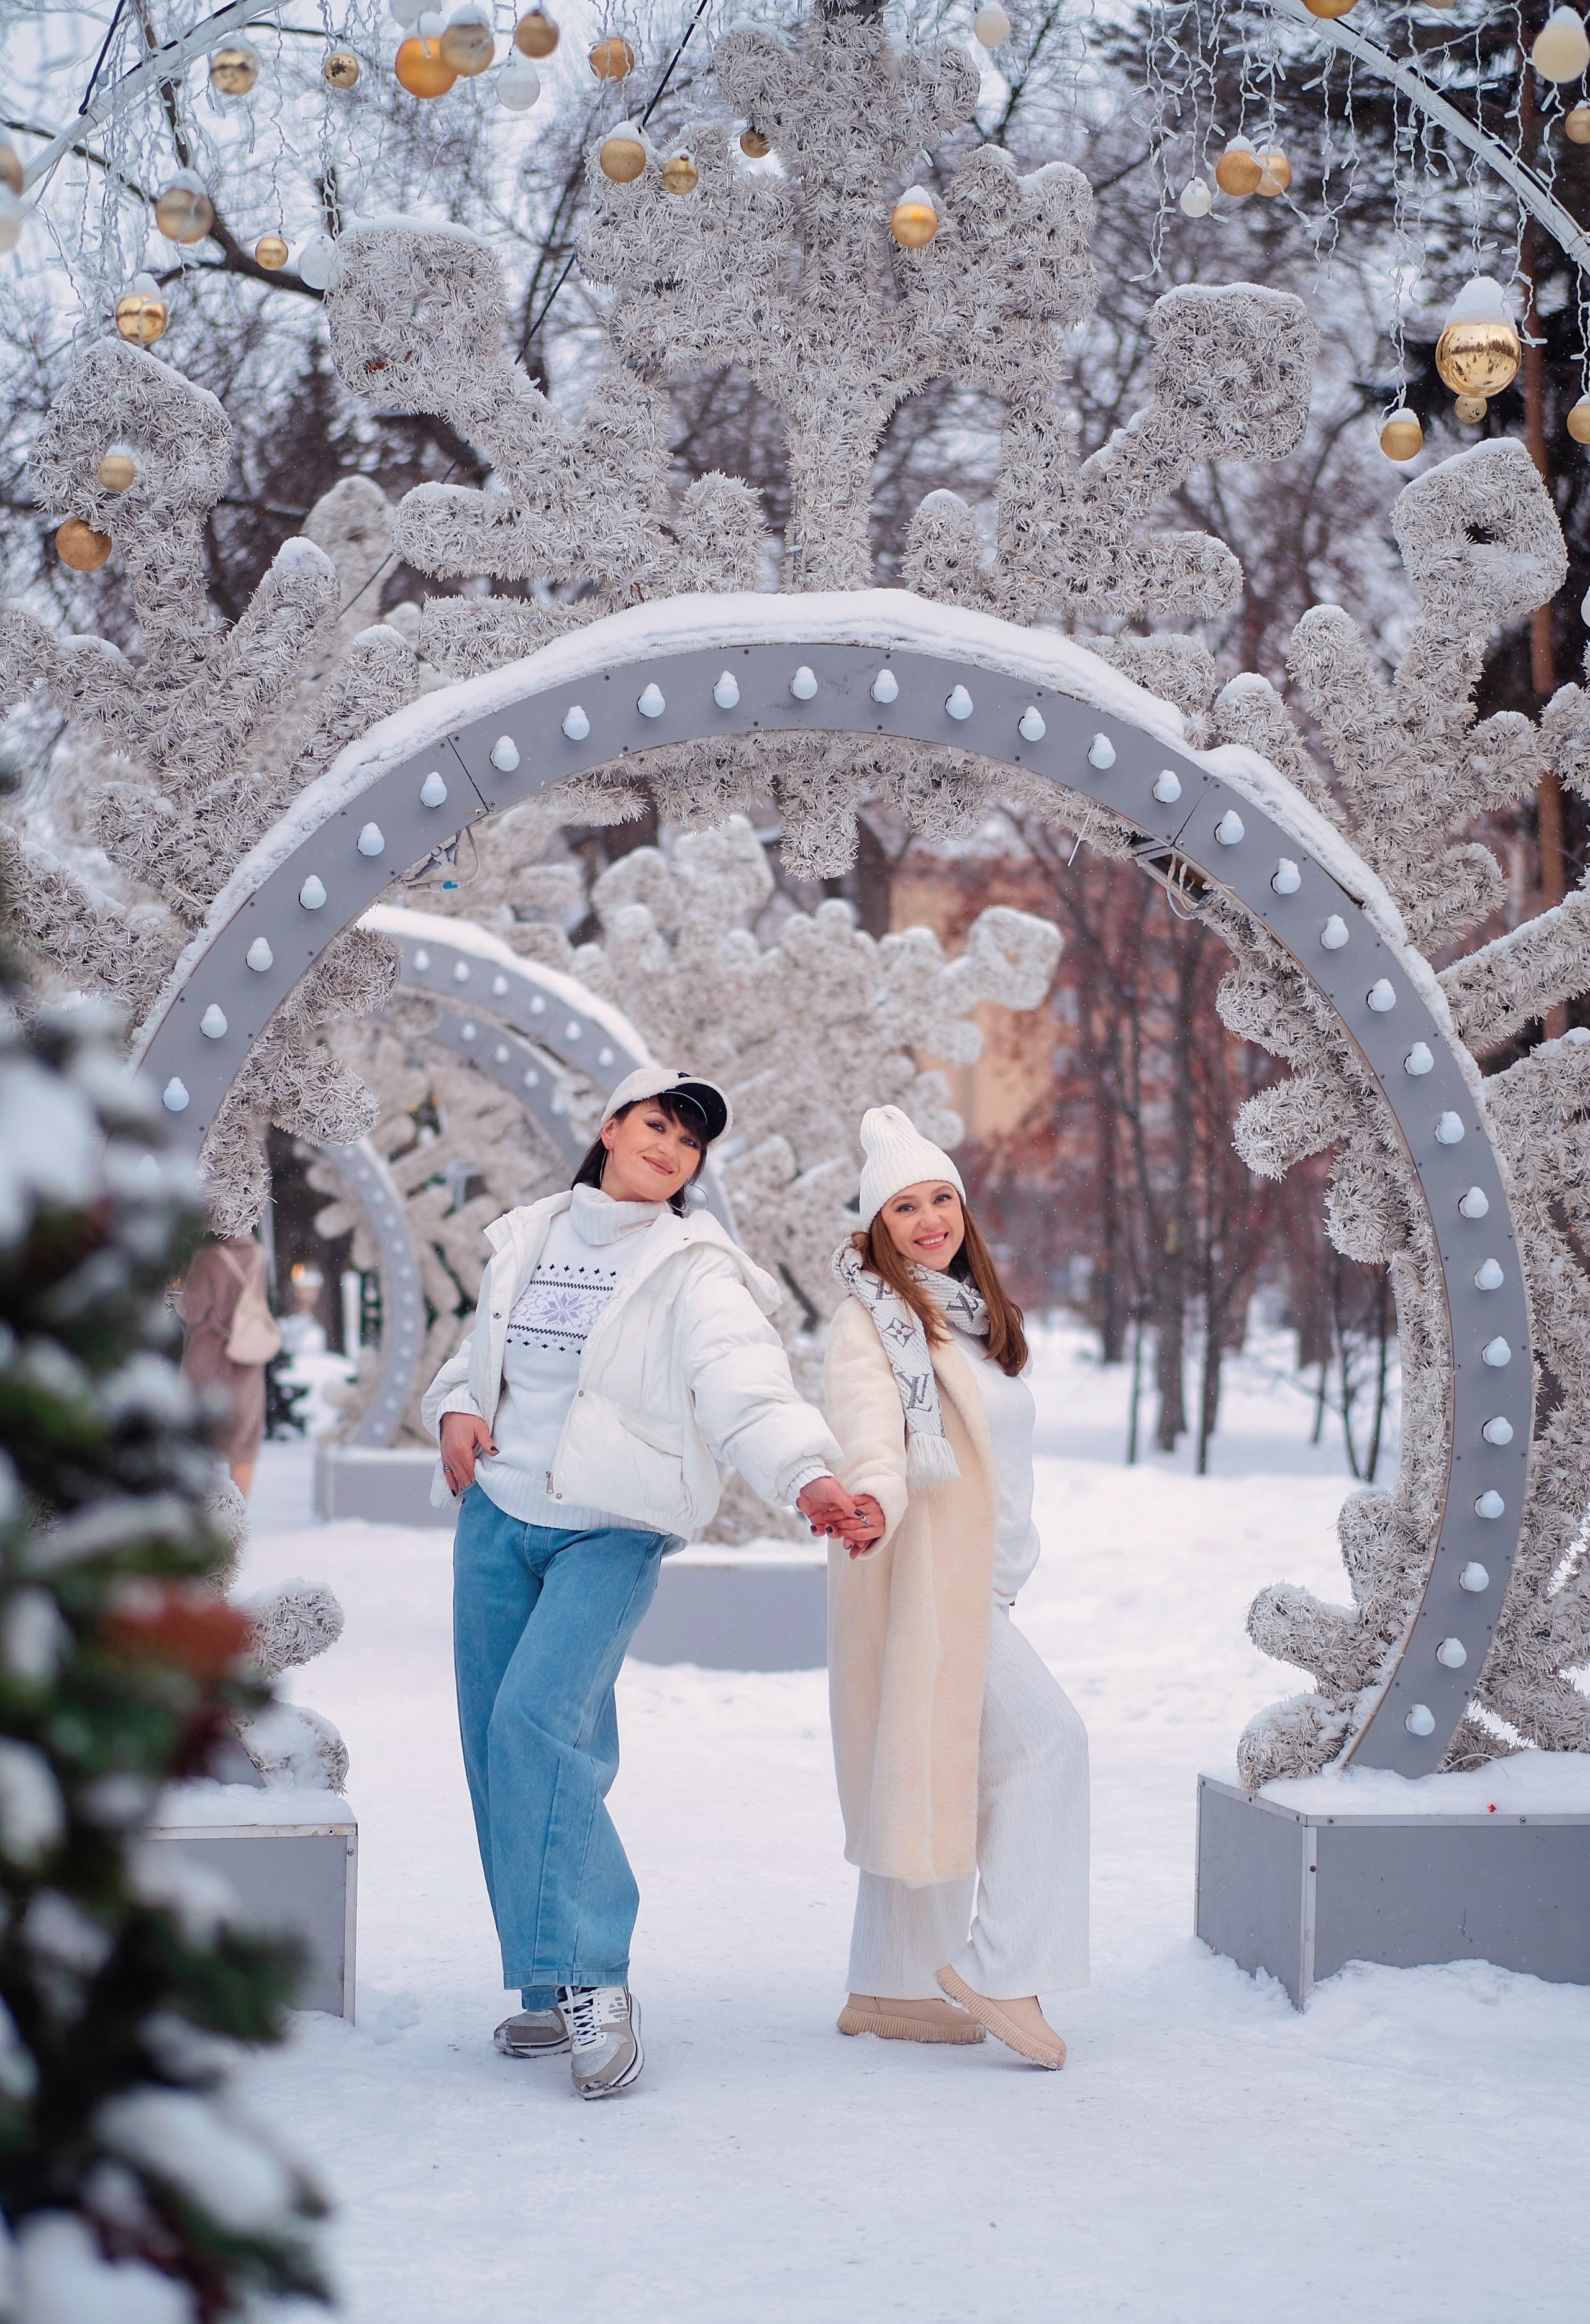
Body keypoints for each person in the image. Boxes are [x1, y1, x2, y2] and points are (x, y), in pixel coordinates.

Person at [422, 1067, 861, 2101]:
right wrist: (455, 1408)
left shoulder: (695, 1266)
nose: (671, 1149)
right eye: (658, 1125)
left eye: (690, 1143)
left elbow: (745, 1382)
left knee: (539, 1720)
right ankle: (547, 1976)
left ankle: (596, 1978)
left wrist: (809, 1474)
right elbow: (479, 1357)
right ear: (612, 1127)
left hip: (611, 1528)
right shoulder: (527, 1237)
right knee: (497, 1742)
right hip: (497, 1517)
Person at [820, 1105, 1089, 2070]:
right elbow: (867, 1431)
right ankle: (1005, 1969)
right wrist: (873, 1499)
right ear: (877, 1227)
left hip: (987, 1580)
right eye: (904, 1206)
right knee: (1051, 1744)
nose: (928, 1218)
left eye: (941, 1197)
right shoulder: (870, 1325)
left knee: (932, 1767)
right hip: (932, 1581)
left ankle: (890, 1986)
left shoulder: (970, 1319)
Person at [175, 1235, 280, 1500]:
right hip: (247, 1358)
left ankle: (201, 1514)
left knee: (203, 1437)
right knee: (245, 1441)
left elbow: (192, 1310)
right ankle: (239, 1513)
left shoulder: (206, 1255)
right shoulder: (257, 1252)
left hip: (209, 1359)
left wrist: (178, 1286)